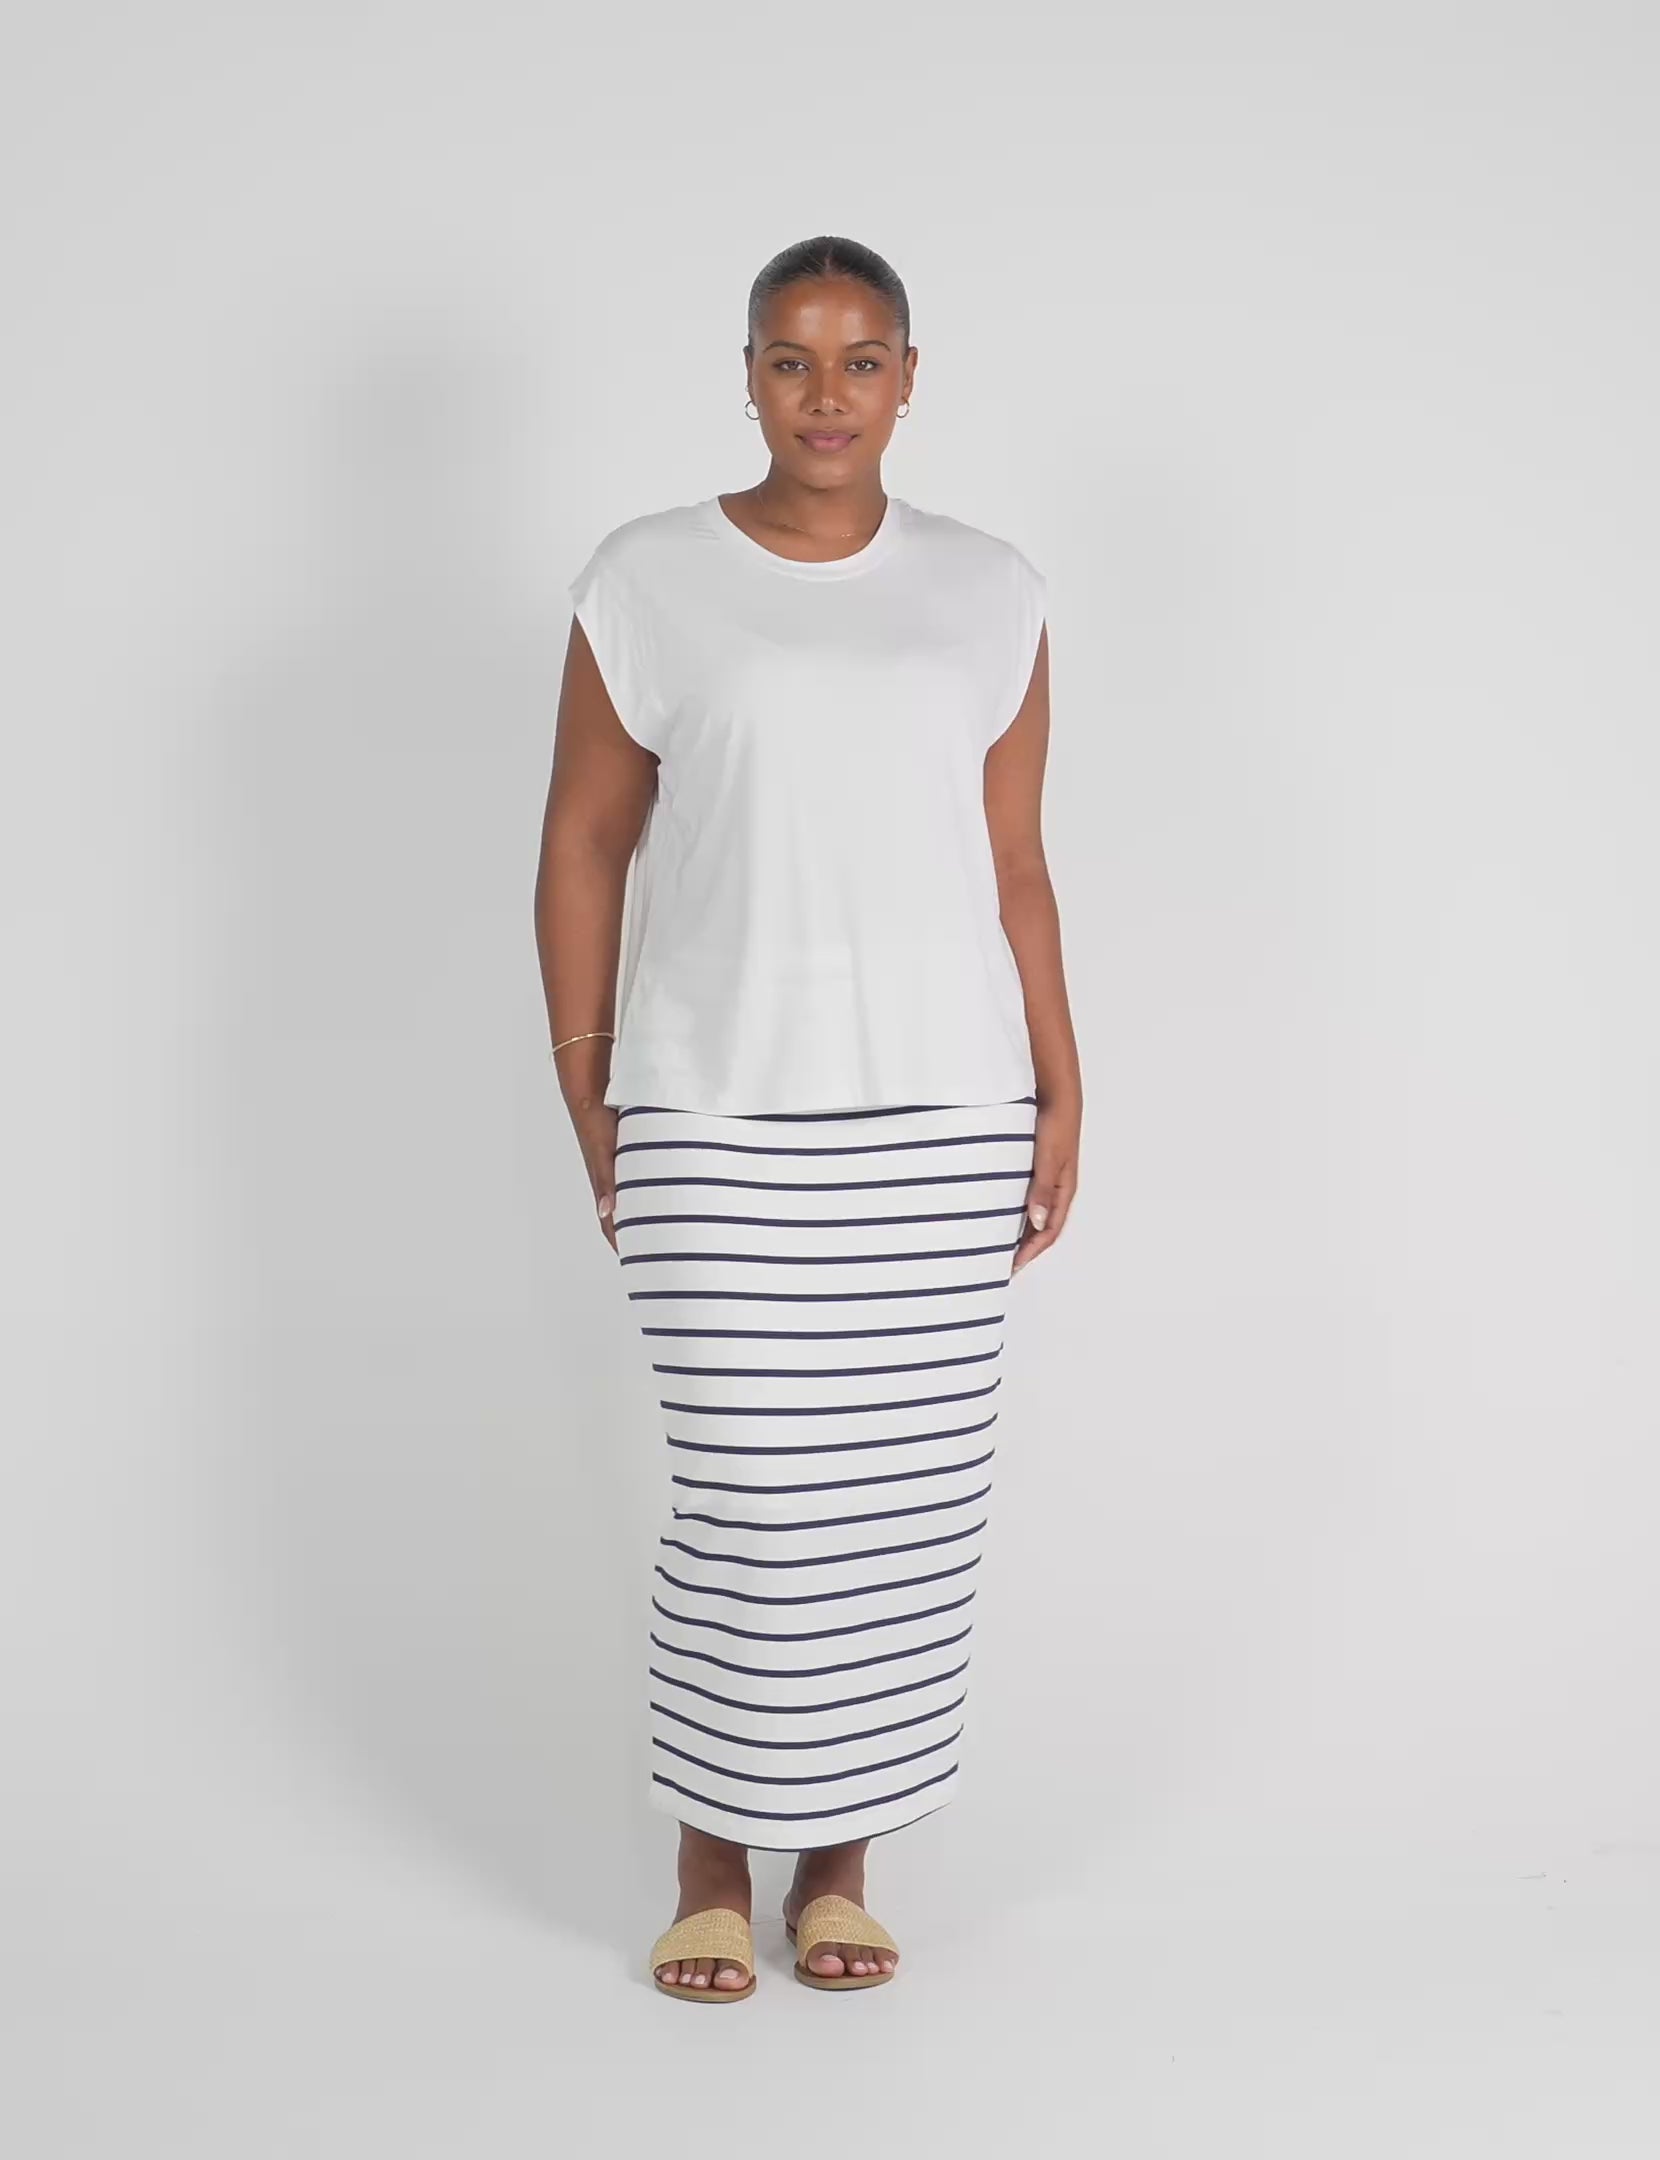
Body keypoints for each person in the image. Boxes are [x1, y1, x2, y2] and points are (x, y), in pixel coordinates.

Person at [533, 234, 1082, 2001]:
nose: (825, 395)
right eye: (791, 359)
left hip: (944, 1108)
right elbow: (585, 839)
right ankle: (713, 1853)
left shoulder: (990, 590)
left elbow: (1015, 861)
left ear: (909, 378)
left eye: (859, 361)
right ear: (749, 376)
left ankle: (838, 1862)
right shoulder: (648, 579)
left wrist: (1062, 1080)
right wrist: (588, 1074)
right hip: (713, 1096)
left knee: (901, 1512)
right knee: (753, 1499)